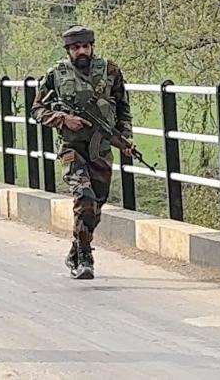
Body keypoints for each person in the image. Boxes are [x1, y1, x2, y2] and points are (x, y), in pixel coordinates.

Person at [31, 25, 133, 280]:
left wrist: (126, 140)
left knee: (95, 207)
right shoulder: (56, 74)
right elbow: (37, 110)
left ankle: (75, 249)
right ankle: (85, 257)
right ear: (68, 50)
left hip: (101, 150)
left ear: (92, 47)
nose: (82, 52)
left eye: (85, 47)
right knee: (84, 197)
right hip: (72, 149)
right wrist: (63, 119)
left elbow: (123, 108)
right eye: (76, 48)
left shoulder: (110, 71)